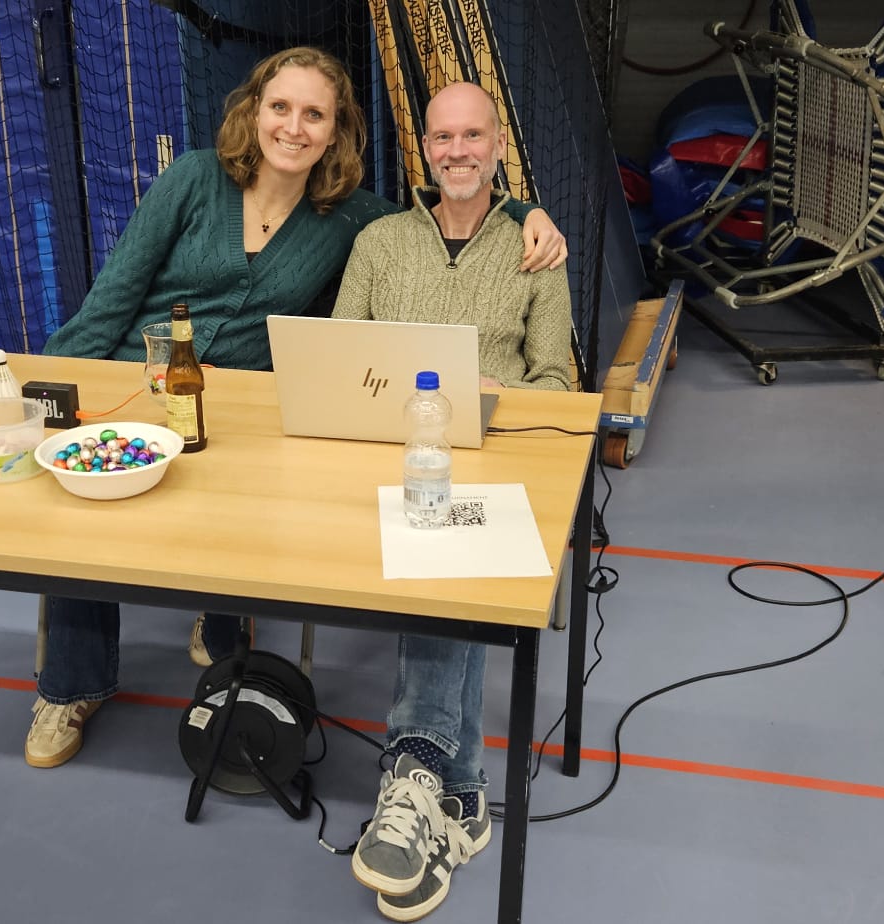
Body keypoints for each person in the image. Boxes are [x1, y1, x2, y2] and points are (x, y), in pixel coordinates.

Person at [25, 47, 568, 771]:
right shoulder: (194, 179)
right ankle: (71, 686)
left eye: (314, 114)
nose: (293, 126)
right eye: (280, 107)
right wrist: (50, 390)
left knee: (250, 479)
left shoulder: (347, 217)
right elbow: (112, 297)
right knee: (82, 509)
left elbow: (449, 208)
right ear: (253, 110)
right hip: (139, 381)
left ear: (335, 131)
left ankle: (224, 627)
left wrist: (528, 211)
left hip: (242, 404)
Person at [332, 81, 571, 923]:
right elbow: (341, 360)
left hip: (490, 465)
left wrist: (489, 394)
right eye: (443, 137)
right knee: (428, 538)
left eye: (473, 136)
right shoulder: (379, 242)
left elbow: (559, 385)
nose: (458, 151)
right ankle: (460, 799)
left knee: (442, 552)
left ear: (498, 145)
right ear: (424, 148)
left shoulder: (536, 250)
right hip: (381, 459)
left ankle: (418, 768)